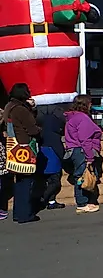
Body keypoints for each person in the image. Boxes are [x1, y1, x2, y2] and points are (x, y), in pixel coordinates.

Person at [3, 84, 42, 223]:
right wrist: (39, 129)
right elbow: (32, 129)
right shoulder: (21, 109)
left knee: (19, 182)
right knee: (26, 182)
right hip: (24, 148)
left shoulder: (9, 106)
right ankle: (25, 214)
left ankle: (18, 213)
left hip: (13, 148)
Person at [64, 95, 103, 214]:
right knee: (83, 176)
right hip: (81, 150)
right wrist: (90, 157)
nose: (91, 105)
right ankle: (82, 203)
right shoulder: (83, 118)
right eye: (90, 103)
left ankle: (86, 202)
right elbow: (85, 139)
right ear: (86, 104)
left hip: (73, 149)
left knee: (82, 176)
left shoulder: (72, 117)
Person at [36, 104, 66, 211]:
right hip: (53, 156)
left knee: (45, 181)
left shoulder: (42, 130)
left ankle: (51, 201)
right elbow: (59, 149)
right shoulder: (55, 132)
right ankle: (44, 198)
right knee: (55, 181)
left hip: (43, 156)